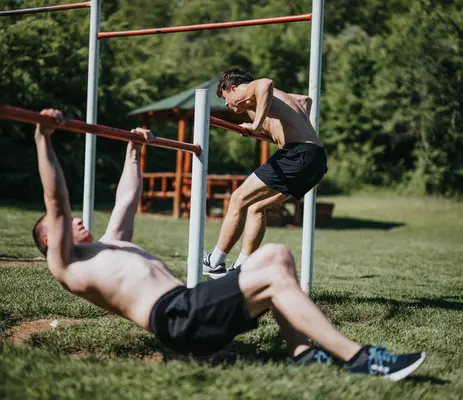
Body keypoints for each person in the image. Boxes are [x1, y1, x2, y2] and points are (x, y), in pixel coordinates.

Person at [31, 109, 426, 381]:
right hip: (177, 320)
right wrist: (43, 138)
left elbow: (126, 200)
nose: (78, 220)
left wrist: (134, 150)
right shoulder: (66, 265)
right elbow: (58, 204)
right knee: (272, 274)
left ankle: (302, 355)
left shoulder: (110, 245)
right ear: (50, 240)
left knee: (277, 255)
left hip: (190, 304)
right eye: (63, 225)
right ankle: (358, 358)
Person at [202, 68, 328, 278]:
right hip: (316, 158)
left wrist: (256, 124)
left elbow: (265, 83)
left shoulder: (248, 89)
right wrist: (278, 132)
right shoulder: (276, 102)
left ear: (233, 88)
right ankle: (241, 268)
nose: (226, 104)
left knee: (238, 198)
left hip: (297, 155)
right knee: (256, 207)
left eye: (226, 97)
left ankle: (214, 262)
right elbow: (305, 101)